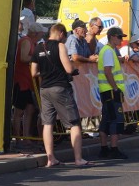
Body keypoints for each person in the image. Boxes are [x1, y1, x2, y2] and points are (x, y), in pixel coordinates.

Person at [30, 23, 92, 168]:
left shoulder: (39, 47)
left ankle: (50, 158)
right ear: (62, 34)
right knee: (74, 123)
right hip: (60, 87)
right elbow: (68, 68)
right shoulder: (60, 46)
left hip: (44, 88)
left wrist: (45, 73)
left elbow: (33, 73)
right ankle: (78, 158)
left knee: (48, 123)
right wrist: (72, 70)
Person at [96, 27, 128, 160]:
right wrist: (115, 88)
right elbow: (108, 71)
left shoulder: (107, 50)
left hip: (106, 90)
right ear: (113, 37)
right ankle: (114, 149)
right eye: (120, 37)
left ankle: (104, 149)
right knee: (115, 120)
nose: (121, 40)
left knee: (106, 119)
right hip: (111, 91)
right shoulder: (108, 51)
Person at [12, 18, 40, 152]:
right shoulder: (26, 41)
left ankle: (27, 138)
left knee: (30, 109)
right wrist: (39, 58)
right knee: (19, 111)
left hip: (28, 81)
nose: (42, 37)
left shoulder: (31, 42)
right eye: (40, 34)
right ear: (35, 33)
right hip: (21, 81)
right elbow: (23, 58)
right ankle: (18, 139)